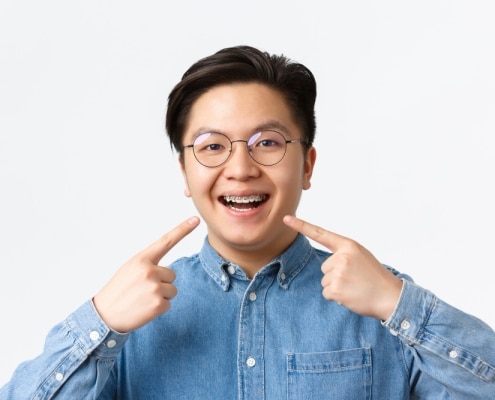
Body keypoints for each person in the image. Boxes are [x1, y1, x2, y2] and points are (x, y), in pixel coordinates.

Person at [1, 45, 494, 399]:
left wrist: (396, 301)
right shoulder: (130, 320)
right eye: (212, 146)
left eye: (268, 142)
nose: (240, 168)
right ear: (185, 171)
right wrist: (100, 323)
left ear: (307, 164)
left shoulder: (382, 307)